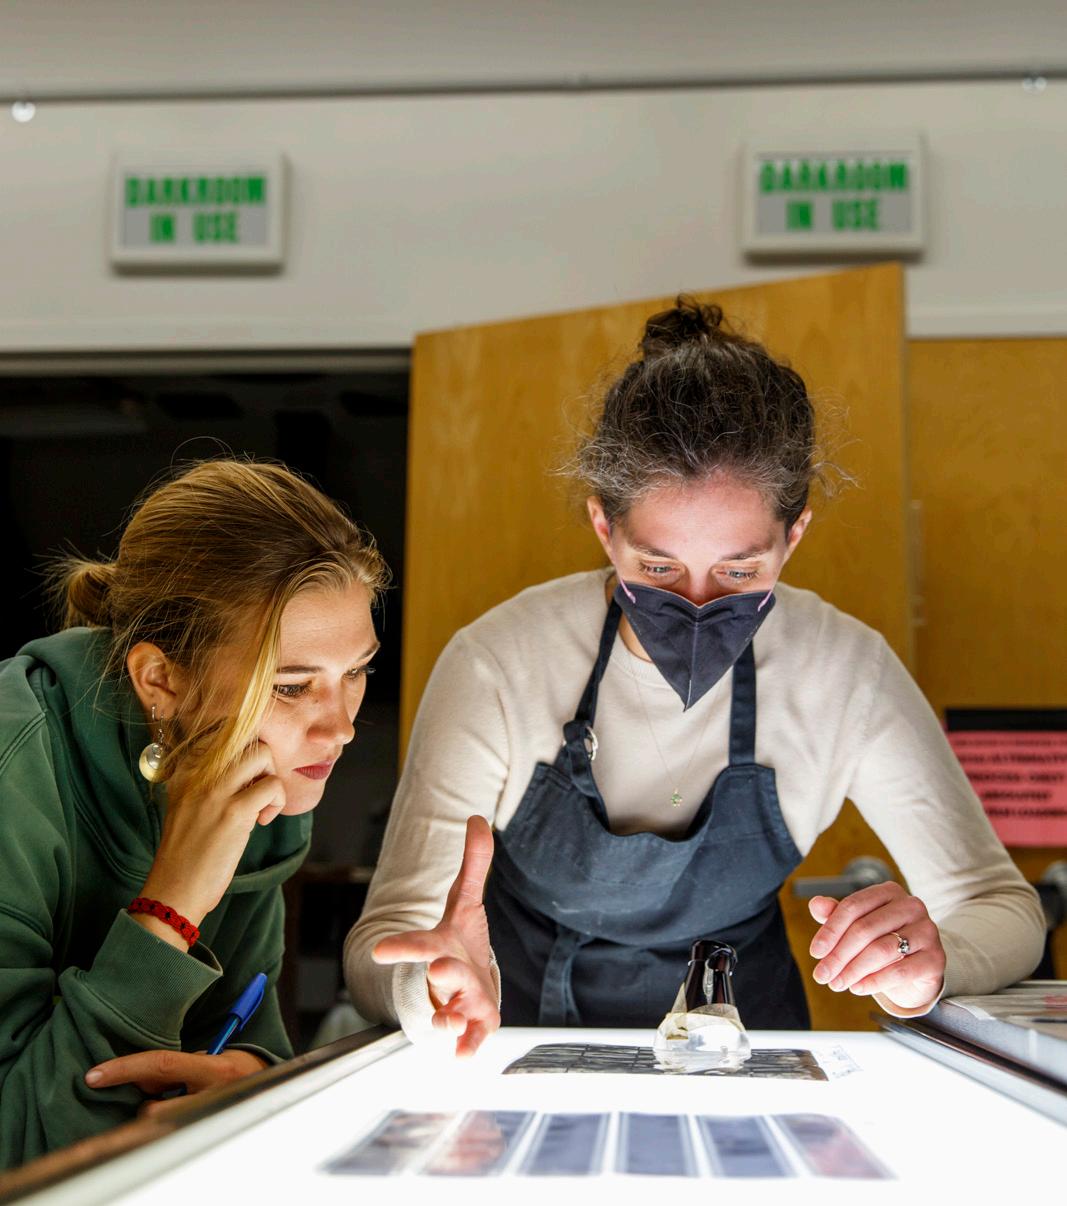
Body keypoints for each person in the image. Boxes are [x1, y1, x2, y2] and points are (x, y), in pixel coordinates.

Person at [345, 297, 1045, 1053]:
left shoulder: (844, 672)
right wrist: (427, 989)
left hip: (744, 1053)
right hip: (512, 1047)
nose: (698, 606)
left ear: (794, 536)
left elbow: (1000, 906)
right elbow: (387, 936)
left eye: (739, 571)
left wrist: (932, 963)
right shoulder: (498, 664)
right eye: (659, 568)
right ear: (604, 528)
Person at [0, 459, 387, 1168]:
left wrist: (252, 1078)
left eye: (356, 671)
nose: (340, 728)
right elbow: (16, 1147)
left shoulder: (265, 770)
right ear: (161, 680)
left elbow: (245, 1028)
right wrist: (171, 905)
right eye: (292, 686)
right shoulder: (13, 773)